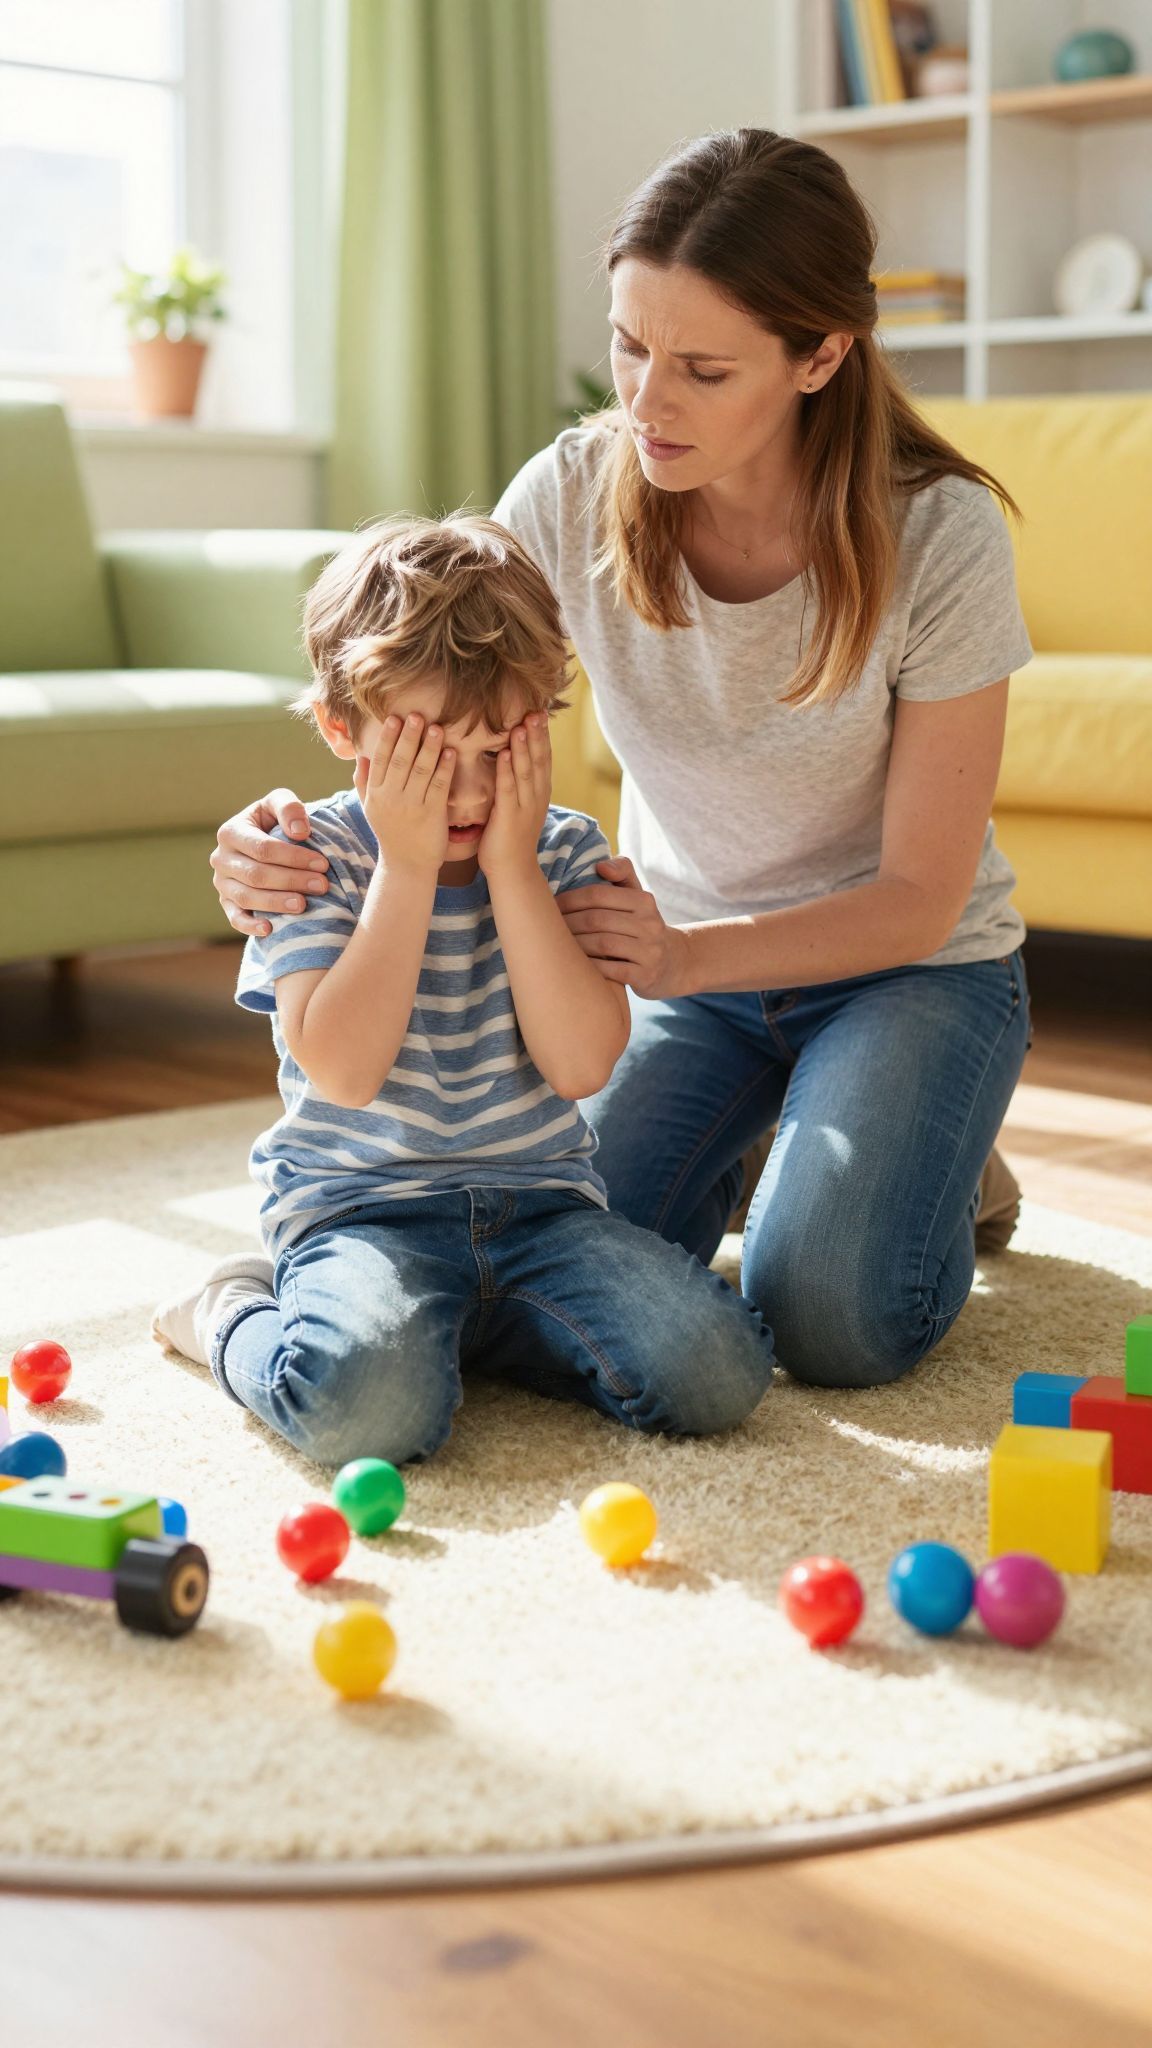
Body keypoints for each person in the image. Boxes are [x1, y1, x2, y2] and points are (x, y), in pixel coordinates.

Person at [208, 127, 1035, 1394]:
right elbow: (427, 661)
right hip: (680, 976)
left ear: (822, 355)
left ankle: (924, 1134)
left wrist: (687, 957)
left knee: (825, 1318)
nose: (646, 403)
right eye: (629, 346)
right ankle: (818, 1134)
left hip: (904, 971)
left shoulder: (940, 532)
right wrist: (292, 827)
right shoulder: (576, 489)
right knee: (571, 1256)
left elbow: (923, 896)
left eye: (703, 368)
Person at [152, 515, 773, 1466]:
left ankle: (472, 1335)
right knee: (363, 1415)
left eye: (500, 752)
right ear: (340, 726)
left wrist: (516, 872)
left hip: (544, 1212)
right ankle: (234, 1311)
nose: (473, 794)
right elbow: (346, 1071)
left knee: (718, 1373)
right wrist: (403, 871)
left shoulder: (558, 850)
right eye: (433, 757)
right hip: (364, 1217)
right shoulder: (310, 862)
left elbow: (580, 1062)